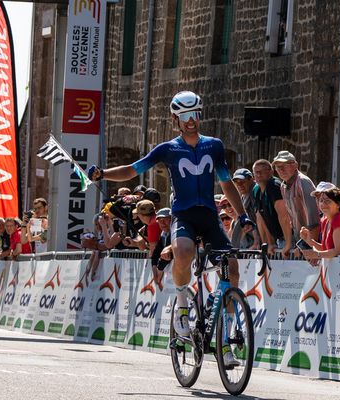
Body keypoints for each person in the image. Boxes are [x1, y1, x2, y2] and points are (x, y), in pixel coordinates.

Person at [87, 91, 253, 368]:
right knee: (184, 251)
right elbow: (132, 169)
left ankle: (226, 338)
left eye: (195, 115)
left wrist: (244, 216)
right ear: (176, 118)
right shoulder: (168, 149)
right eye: (185, 116)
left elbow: (226, 184)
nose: (191, 121)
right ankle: (181, 306)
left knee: (232, 269)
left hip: (209, 217)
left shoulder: (214, 146)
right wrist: (103, 174)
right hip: (184, 216)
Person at [273, 150, 320, 245]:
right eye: (278, 167)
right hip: (299, 241)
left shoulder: (302, 182)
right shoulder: (283, 186)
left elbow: (314, 219)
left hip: (311, 242)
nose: (281, 170)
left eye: (284, 166)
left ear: (295, 165)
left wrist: (306, 245)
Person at [299, 187, 340, 259]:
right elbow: (325, 249)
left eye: (328, 201)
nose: (323, 204)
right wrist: (310, 241)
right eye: (321, 201)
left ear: (338, 204)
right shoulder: (325, 220)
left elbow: (339, 251)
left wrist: (317, 255)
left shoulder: (339, 219)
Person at [252, 159, 291, 256]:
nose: (258, 174)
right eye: (256, 172)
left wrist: (288, 243)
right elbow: (261, 218)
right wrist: (268, 243)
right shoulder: (256, 190)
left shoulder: (274, 186)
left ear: (271, 172)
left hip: (288, 237)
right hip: (277, 239)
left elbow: (284, 216)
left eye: (262, 171)